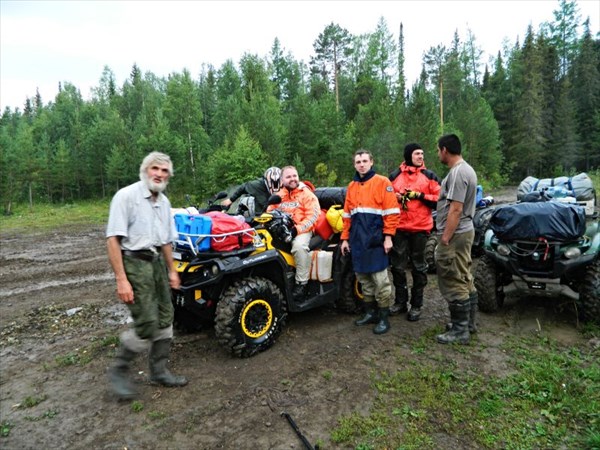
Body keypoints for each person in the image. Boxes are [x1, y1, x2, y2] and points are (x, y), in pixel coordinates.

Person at [106, 151, 188, 399]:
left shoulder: (163, 202)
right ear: (145, 170)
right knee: (146, 323)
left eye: (164, 171)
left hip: (156, 264)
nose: (159, 174)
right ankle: (118, 371)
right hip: (134, 262)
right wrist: (122, 279)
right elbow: (113, 239)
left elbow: (165, 241)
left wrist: (172, 271)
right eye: (155, 169)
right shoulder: (126, 197)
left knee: (165, 317)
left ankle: (159, 371)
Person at [340, 150, 400, 334]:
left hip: (376, 241)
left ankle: (383, 318)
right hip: (357, 241)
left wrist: (388, 237)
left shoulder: (383, 182)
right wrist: (344, 239)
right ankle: (370, 313)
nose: (361, 164)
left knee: (380, 281)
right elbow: (347, 215)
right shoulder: (352, 186)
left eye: (365, 161)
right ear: (354, 165)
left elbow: (392, 212)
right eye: (358, 162)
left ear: (371, 162)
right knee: (364, 281)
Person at [434, 134, 478, 344]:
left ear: (444, 150)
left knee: (453, 277)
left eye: (438, 150)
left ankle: (460, 331)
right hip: (463, 232)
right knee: (464, 275)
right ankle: (468, 324)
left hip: (457, 233)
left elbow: (456, 209)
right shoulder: (464, 169)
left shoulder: (459, 172)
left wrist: (445, 238)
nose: (438, 154)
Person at [389, 143, 440, 321]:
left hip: (420, 229)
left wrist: (420, 196)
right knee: (397, 267)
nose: (421, 157)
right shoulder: (395, 176)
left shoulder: (429, 176)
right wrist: (394, 197)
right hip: (399, 228)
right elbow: (385, 196)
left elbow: (440, 199)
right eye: (417, 153)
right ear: (408, 155)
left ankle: (416, 305)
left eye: (422, 153)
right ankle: (400, 302)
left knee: (419, 267)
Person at [267, 166, 320, 300]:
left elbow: (313, 216)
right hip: (283, 228)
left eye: (294, 176)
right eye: (288, 177)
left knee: (298, 247)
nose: (292, 179)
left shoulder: (306, 194)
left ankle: (302, 284)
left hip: (303, 229)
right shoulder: (279, 195)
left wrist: (296, 230)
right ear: (282, 180)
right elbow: (269, 211)